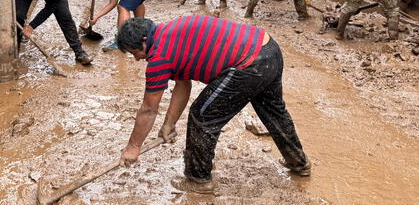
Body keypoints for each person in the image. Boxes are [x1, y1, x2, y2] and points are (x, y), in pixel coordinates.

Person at [116, 16, 310, 194]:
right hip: (268, 49)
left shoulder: (159, 57)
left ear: (144, 40)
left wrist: (133, 146)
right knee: (273, 110)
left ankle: (198, 180)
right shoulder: (169, 33)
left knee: (202, 116)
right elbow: (183, 84)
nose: (137, 59)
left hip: (248, 63)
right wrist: (169, 124)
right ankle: (299, 163)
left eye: (136, 52)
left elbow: (149, 109)